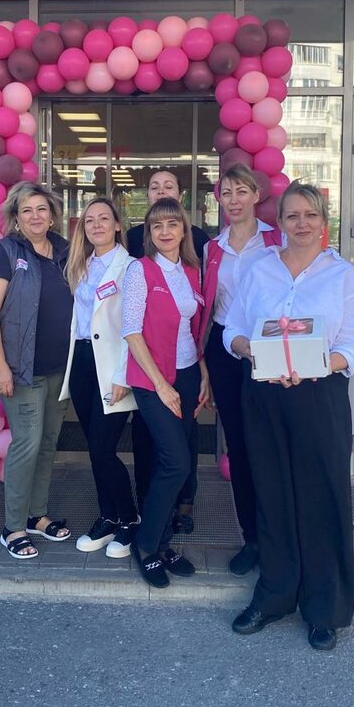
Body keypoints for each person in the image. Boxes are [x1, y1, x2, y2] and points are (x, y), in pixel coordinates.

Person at [223, 180, 354, 650]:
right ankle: (275, 596)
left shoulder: (341, 274)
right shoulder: (260, 269)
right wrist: (253, 351)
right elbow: (233, 330)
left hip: (319, 396)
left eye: (310, 215)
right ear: (279, 222)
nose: (301, 223)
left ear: (323, 221)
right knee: (273, 495)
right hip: (263, 394)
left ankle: (324, 608)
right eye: (292, 215)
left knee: (322, 498)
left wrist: (312, 364)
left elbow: (352, 348)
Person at [0, 182, 73, 560]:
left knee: (48, 443)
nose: (35, 216)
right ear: (16, 218)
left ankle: (36, 515)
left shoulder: (65, 251)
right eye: (27, 210)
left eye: (41, 209)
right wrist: (1, 366)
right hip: (22, 369)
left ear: (52, 215)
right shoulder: (5, 252)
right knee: (26, 445)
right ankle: (13, 527)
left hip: (59, 369)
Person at [122, 198, 211, 588]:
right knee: (176, 463)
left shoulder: (191, 271)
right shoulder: (139, 270)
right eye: (156, 225)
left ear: (183, 229)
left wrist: (203, 373)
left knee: (175, 462)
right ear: (149, 233)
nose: (165, 231)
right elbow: (131, 330)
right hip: (152, 380)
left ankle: (161, 542)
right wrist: (161, 384)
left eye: (172, 223)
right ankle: (146, 545)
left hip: (189, 375)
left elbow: (194, 329)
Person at [200, 163, 282, 575]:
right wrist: (204, 365)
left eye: (241, 191)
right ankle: (252, 538)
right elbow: (209, 308)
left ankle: (279, 536)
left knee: (272, 444)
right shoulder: (212, 249)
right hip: (226, 351)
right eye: (226, 193)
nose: (233, 200)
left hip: (269, 346)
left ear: (256, 195)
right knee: (239, 445)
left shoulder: (277, 241)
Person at [60, 198, 140, 558]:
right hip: (81, 362)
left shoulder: (131, 268)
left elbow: (135, 325)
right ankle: (108, 517)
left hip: (112, 366)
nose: (96, 225)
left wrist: (124, 374)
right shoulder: (80, 265)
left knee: (103, 449)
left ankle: (129, 518)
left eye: (104, 218)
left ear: (118, 225)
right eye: (89, 220)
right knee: (94, 446)